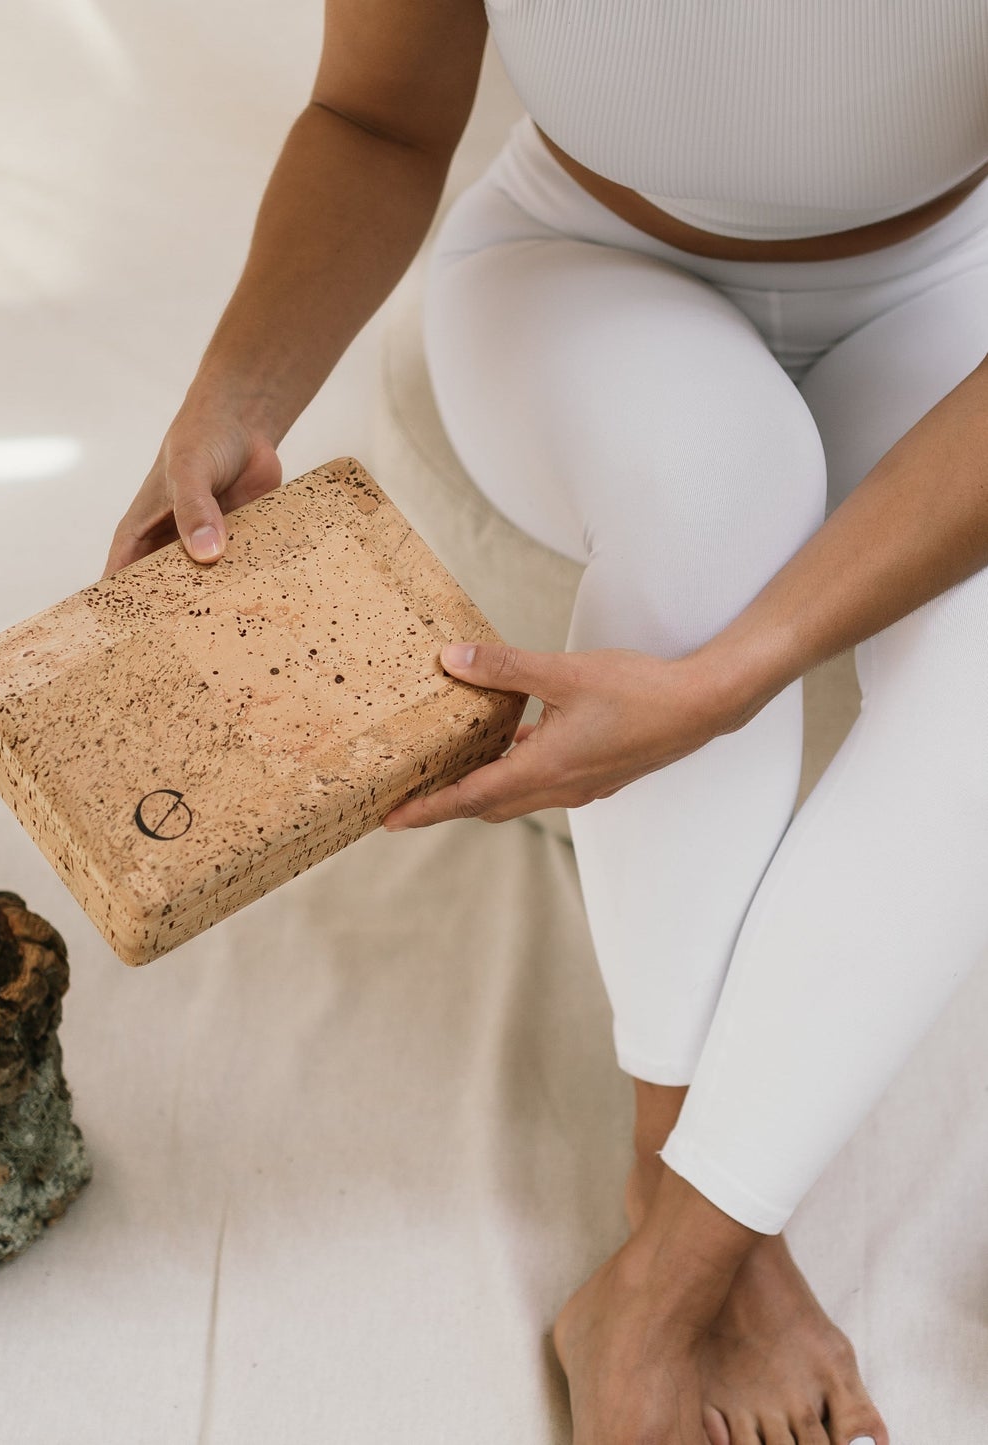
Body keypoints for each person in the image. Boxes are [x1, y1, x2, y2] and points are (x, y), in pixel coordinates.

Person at [101, 3, 988, 1441]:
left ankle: (663, 1279)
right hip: (579, 264)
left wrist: (732, 678)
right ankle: (676, 1175)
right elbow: (374, 118)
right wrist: (230, 400)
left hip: (956, 282)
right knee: (719, 488)